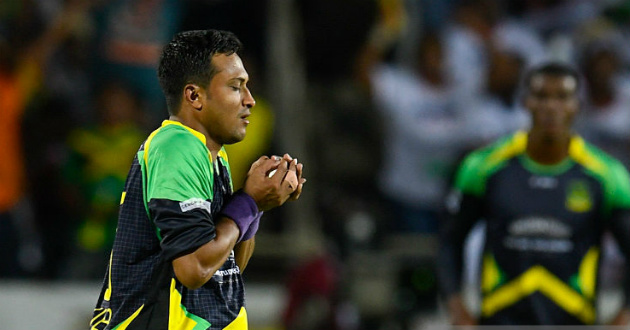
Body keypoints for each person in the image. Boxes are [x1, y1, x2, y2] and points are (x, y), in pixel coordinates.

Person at [90, 29, 305, 330]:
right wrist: (249, 201)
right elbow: (193, 267)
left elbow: (224, 270)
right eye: (235, 87)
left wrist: (256, 205)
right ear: (194, 95)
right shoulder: (176, 146)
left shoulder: (213, 156)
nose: (250, 100)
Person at [438, 62, 630, 325]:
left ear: (578, 105)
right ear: (525, 102)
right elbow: (450, 240)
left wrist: (623, 316)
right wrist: (456, 306)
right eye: (541, 96)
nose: (551, 107)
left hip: (572, 321)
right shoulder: (484, 166)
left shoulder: (607, 175)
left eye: (562, 97)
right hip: (500, 320)